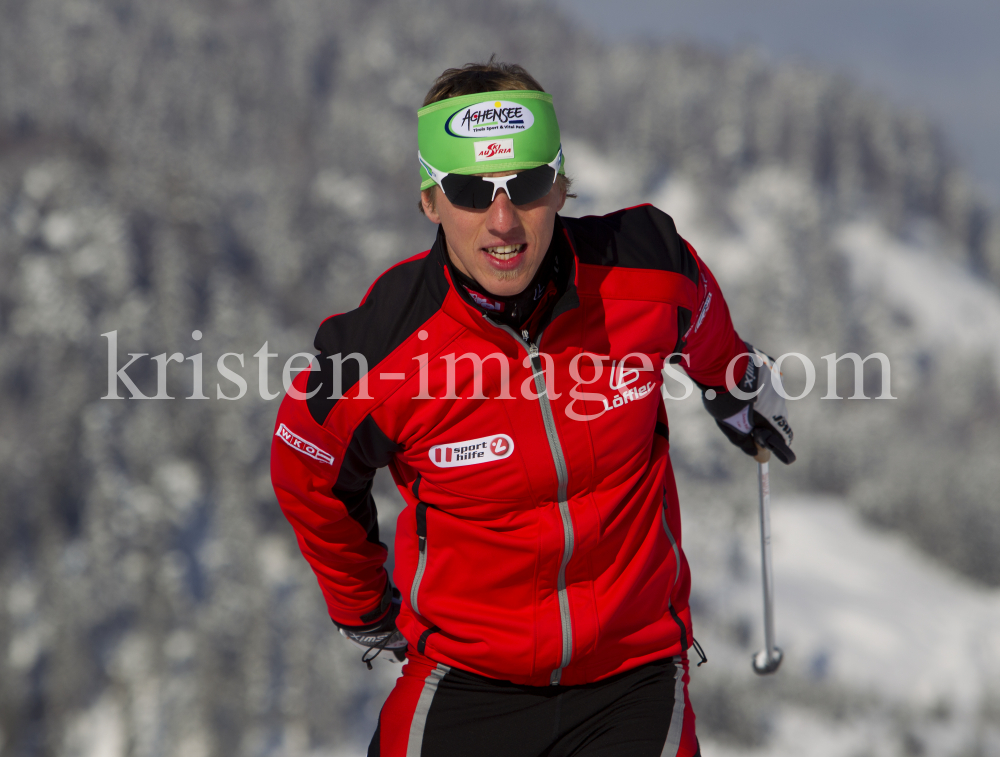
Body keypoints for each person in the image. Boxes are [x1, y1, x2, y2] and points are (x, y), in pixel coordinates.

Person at [270, 59, 794, 757]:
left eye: (528, 184)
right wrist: (364, 606)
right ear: (429, 200)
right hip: (466, 678)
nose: (504, 220)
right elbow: (305, 467)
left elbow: (698, 310)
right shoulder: (377, 349)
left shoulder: (646, 266)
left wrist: (735, 385)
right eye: (469, 190)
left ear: (563, 185)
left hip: (632, 678)